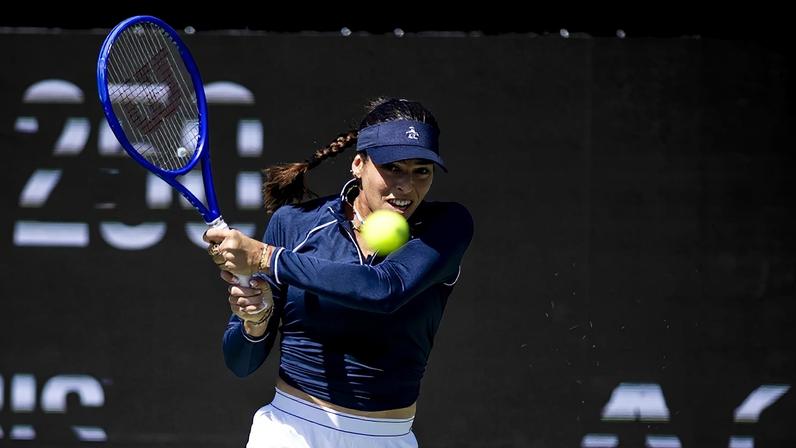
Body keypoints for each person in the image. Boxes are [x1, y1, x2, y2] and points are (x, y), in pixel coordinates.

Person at [204, 97, 473, 448]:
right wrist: (256, 319)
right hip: (290, 433)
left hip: (385, 439)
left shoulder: (446, 227)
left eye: (422, 170)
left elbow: (384, 289)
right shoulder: (295, 224)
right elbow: (241, 362)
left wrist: (266, 256)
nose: (407, 185)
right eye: (393, 167)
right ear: (358, 164)